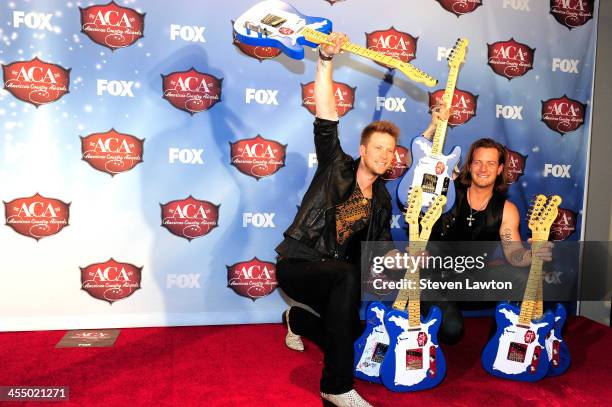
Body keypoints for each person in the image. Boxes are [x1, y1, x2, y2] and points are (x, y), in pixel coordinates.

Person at [274, 32, 398, 407]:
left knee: (349, 333)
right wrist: (325, 61)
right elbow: (326, 115)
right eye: (378, 148)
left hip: (336, 278)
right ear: (362, 151)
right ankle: (336, 388)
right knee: (345, 276)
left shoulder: (382, 202)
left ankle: (296, 318)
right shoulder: (335, 166)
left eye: (390, 152)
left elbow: (381, 254)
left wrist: (405, 261)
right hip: (298, 264)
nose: (385, 155)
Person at [419, 112, 554, 343]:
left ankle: (502, 344)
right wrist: (432, 127)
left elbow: (513, 254)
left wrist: (532, 254)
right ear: (469, 166)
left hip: (474, 279)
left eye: (491, 163)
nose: (484, 168)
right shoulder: (446, 192)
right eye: (478, 162)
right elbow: (421, 169)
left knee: (522, 279)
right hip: (435, 278)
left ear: (500, 169)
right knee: (451, 331)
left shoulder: (507, 209)